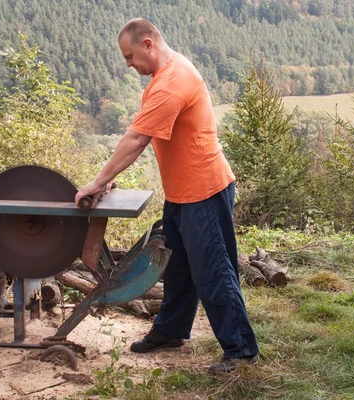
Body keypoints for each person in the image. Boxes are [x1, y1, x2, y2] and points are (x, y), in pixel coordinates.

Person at [75, 18, 259, 373]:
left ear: (148, 45)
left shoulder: (173, 81)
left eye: (130, 56)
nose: (128, 64)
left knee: (213, 271)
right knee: (177, 268)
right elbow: (145, 128)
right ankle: (171, 330)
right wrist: (111, 177)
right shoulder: (164, 75)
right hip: (181, 192)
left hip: (204, 191)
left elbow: (136, 139)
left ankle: (240, 349)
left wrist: (98, 183)